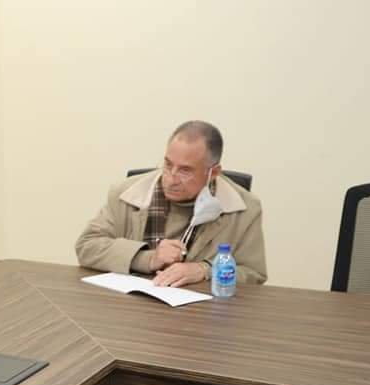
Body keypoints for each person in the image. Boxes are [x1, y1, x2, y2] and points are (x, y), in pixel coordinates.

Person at [75, 120, 267, 287]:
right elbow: (87, 246)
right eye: (168, 164)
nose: (171, 179)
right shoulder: (125, 193)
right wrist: (148, 258)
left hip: (201, 312)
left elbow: (254, 274)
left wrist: (204, 270)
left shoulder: (246, 208)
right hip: (132, 305)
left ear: (213, 172)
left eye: (185, 170)